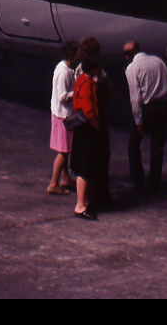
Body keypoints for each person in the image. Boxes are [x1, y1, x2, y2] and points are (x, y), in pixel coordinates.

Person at [124, 40, 167, 192]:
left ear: (127, 57)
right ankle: (154, 181)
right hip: (162, 106)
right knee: (157, 144)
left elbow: (135, 97)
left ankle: (137, 178)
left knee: (134, 143)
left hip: (146, 108)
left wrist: (138, 120)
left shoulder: (132, 68)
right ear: (141, 48)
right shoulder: (159, 61)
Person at [70, 51, 106, 220]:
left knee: (82, 166)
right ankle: (80, 205)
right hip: (87, 129)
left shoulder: (80, 80)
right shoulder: (87, 84)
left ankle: (83, 201)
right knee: (85, 167)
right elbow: (88, 108)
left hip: (80, 130)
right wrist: (96, 123)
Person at [48, 40, 77, 195]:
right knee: (64, 151)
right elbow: (63, 96)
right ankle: (53, 183)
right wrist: (78, 92)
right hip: (63, 116)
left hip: (61, 114)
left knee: (66, 149)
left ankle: (65, 178)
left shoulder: (64, 67)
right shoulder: (64, 71)